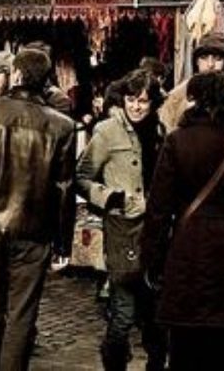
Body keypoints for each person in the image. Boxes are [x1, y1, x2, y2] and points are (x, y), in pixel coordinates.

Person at [141, 72, 224, 371]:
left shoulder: (178, 141)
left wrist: (152, 261)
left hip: (189, 249)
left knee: (187, 347)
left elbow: (158, 210)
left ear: (194, 100)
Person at [0, 48, 77, 371]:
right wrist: (63, 243)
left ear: (18, 75)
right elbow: (64, 188)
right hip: (34, 232)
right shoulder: (62, 126)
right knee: (22, 312)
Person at [76, 69, 166, 371]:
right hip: (123, 226)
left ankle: (156, 361)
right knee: (124, 308)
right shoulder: (107, 131)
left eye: (143, 101)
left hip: (156, 227)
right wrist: (109, 197)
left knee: (155, 307)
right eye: (131, 100)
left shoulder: (161, 131)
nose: (137, 107)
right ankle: (114, 362)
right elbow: (82, 176)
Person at [159, 30, 224, 131]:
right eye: (204, 57)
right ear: (196, 61)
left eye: (217, 58)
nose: (210, 64)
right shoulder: (177, 97)